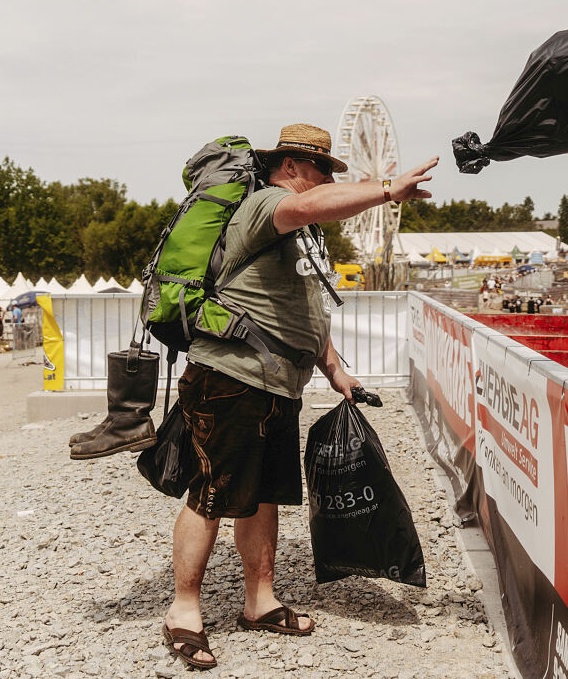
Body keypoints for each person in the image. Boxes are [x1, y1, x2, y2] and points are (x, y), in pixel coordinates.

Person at [159, 124, 437, 671]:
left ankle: (259, 602)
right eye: (320, 171)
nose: (326, 181)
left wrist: (335, 371)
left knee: (265, 495)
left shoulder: (299, 231)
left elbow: (306, 310)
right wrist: (385, 190)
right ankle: (183, 609)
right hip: (231, 378)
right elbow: (322, 207)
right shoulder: (267, 205)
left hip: (278, 383)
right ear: (289, 166)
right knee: (211, 493)